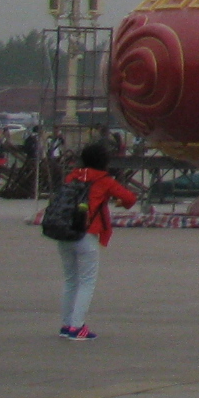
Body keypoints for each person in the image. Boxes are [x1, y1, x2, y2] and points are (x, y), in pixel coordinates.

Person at [55, 139, 137, 340]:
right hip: (87, 233)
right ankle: (77, 327)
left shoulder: (72, 177)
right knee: (87, 282)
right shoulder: (104, 180)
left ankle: (66, 324)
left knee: (71, 280)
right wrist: (118, 202)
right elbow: (129, 198)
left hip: (64, 232)